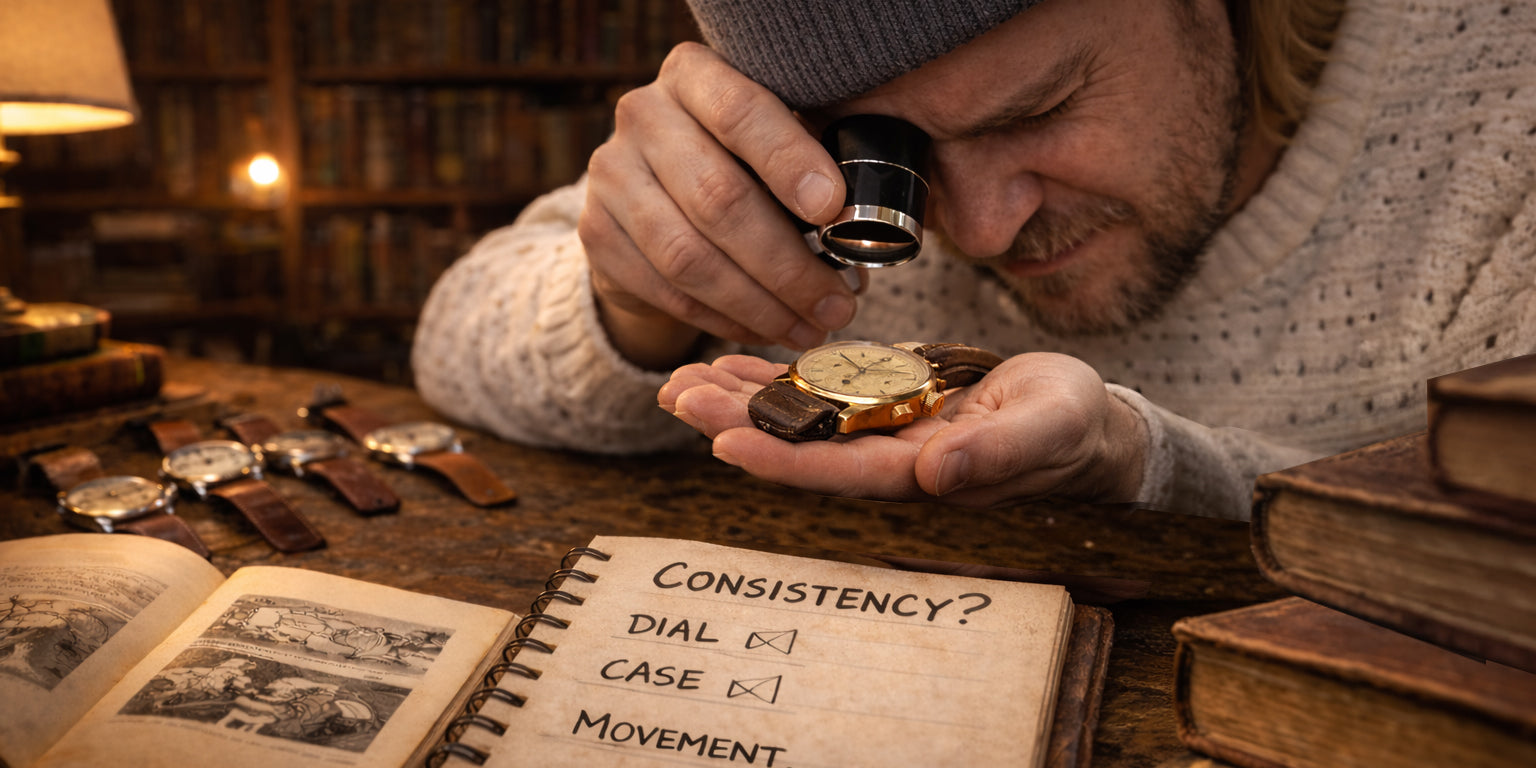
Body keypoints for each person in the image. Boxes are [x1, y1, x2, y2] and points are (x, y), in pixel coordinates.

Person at [412, 0, 1536, 520]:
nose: (984, 231)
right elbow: (453, 339)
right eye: (889, 156)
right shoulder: (808, 178)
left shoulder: (1505, 97)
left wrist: (1148, 463)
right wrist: (636, 295)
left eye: (1038, 108)